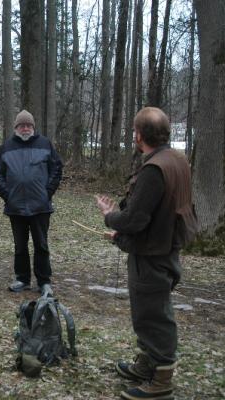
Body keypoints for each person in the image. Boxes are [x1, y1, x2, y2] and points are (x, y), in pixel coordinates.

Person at [95, 107, 197, 400]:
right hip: (164, 247)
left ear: (139, 135)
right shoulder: (177, 159)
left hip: (152, 253)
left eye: (134, 131)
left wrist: (110, 215)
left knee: (153, 316)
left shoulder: (155, 169)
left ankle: (162, 379)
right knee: (149, 312)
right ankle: (148, 364)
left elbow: (134, 220)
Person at [0, 109, 62, 294]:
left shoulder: (45, 144)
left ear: (33, 127)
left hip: (40, 207)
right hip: (16, 207)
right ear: (16, 127)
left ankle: (44, 281)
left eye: (28, 125)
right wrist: (7, 195)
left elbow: (56, 169)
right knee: (20, 246)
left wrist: (47, 193)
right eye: (22, 125)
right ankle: (22, 279)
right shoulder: (6, 147)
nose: (25, 128)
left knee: (41, 245)